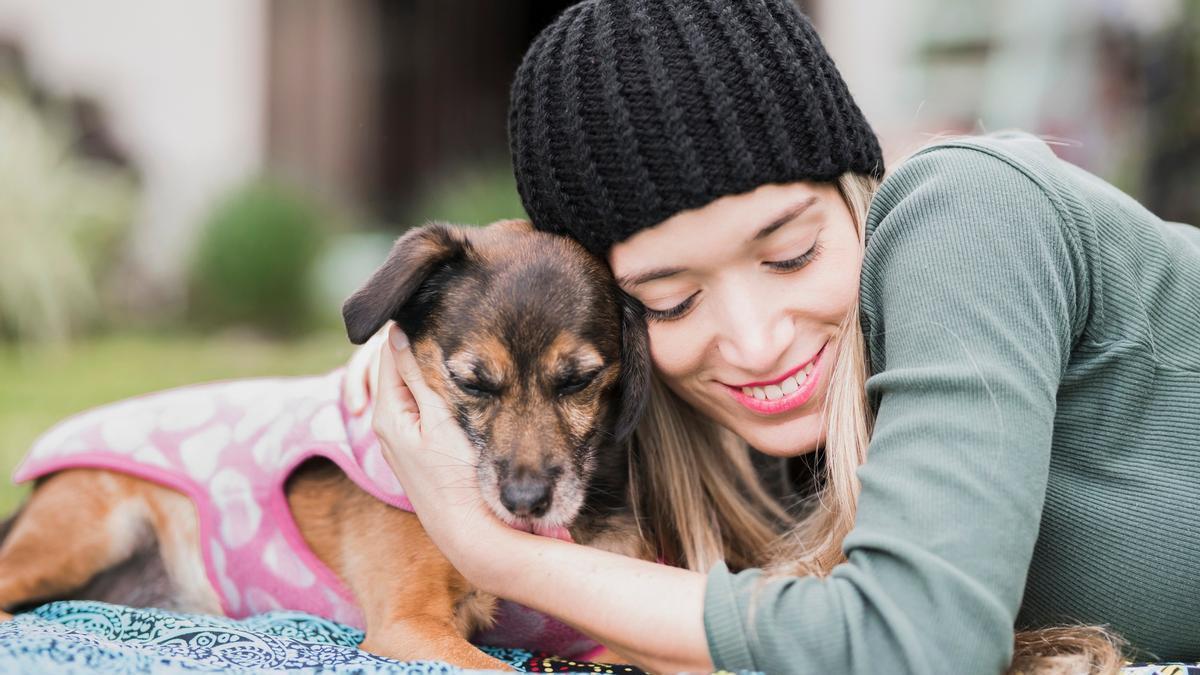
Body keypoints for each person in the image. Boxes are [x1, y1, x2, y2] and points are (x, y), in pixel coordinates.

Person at [342, 0, 1200, 672]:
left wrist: (489, 548)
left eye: (790, 253)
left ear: (854, 192)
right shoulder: (755, 447)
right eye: (672, 302)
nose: (755, 343)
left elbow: (917, 647)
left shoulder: (967, 211)